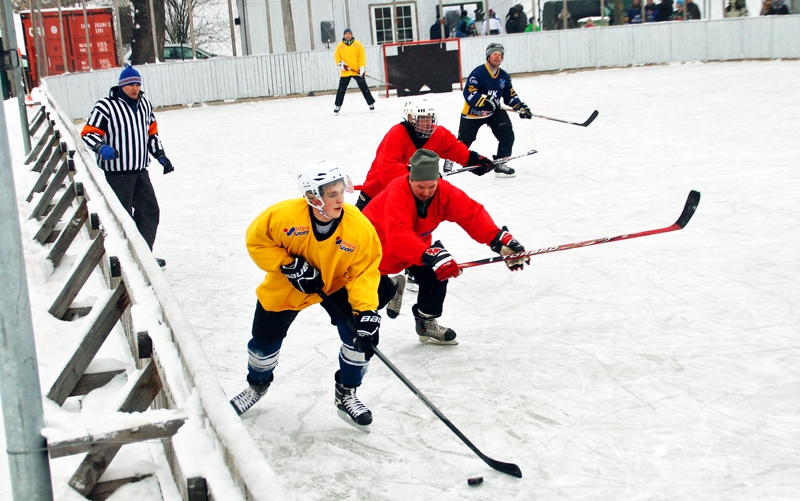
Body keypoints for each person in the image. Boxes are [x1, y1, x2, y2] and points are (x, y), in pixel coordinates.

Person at [229, 160, 399, 429]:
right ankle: (256, 386)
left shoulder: (358, 227)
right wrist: (287, 264)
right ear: (312, 196)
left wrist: (366, 310)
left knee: (360, 339)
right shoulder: (283, 216)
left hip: (338, 283)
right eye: (331, 194)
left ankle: (347, 393)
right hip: (289, 285)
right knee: (263, 344)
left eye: (341, 192)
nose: (340, 199)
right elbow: (257, 240)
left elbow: (365, 271)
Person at [362, 149, 530, 345]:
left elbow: (471, 214)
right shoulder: (397, 192)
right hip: (375, 255)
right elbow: (398, 236)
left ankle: (425, 323)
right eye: (420, 186)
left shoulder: (443, 191)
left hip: (414, 250)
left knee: (437, 274)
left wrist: (498, 241)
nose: (426, 192)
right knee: (378, 298)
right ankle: (392, 287)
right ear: (410, 180)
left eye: (431, 186)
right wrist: (430, 255)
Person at [81, 64, 174, 267]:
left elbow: (151, 134)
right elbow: (88, 133)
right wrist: (101, 147)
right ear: (121, 85)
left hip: (140, 170)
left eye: (137, 84)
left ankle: (144, 255)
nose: (134, 88)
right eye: (130, 84)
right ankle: (126, 260)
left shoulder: (144, 105)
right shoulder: (105, 106)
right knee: (123, 218)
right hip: (117, 173)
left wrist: (160, 156)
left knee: (150, 212)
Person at [355, 100, 495, 210]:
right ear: (410, 119)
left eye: (429, 118)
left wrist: (474, 160)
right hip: (376, 192)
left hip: (405, 196)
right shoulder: (396, 134)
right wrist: (422, 175)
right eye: (422, 119)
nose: (428, 123)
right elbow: (387, 169)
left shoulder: (437, 133)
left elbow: (452, 148)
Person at [457, 43, 532, 178]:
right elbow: (469, 92)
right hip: (474, 113)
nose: (497, 56)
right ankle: (450, 159)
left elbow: (510, 95)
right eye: (494, 54)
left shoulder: (504, 76)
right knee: (465, 141)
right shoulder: (478, 73)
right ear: (488, 56)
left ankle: (500, 163)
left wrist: (519, 107)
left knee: (507, 134)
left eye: (500, 54)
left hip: (494, 112)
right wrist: (484, 101)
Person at [333, 28, 375, 114]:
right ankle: (338, 105)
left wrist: (362, 67)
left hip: (356, 71)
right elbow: (337, 57)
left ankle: (370, 103)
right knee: (341, 89)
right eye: (346, 34)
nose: (348, 35)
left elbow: (361, 57)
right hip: (346, 72)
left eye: (349, 33)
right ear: (344, 35)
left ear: (351, 34)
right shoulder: (340, 46)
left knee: (364, 86)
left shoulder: (358, 44)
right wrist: (341, 64)